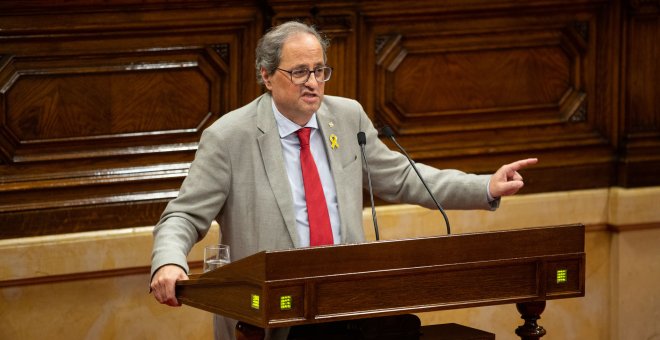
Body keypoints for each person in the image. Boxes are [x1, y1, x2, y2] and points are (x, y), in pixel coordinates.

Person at [150, 21, 538, 339]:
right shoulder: (230, 136)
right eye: (299, 71)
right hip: (269, 316)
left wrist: (483, 186)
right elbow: (183, 215)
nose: (313, 82)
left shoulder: (346, 117)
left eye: (319, 70)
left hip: (348, 305)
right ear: (267, 76)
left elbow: (403, 177)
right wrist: (168, 263)